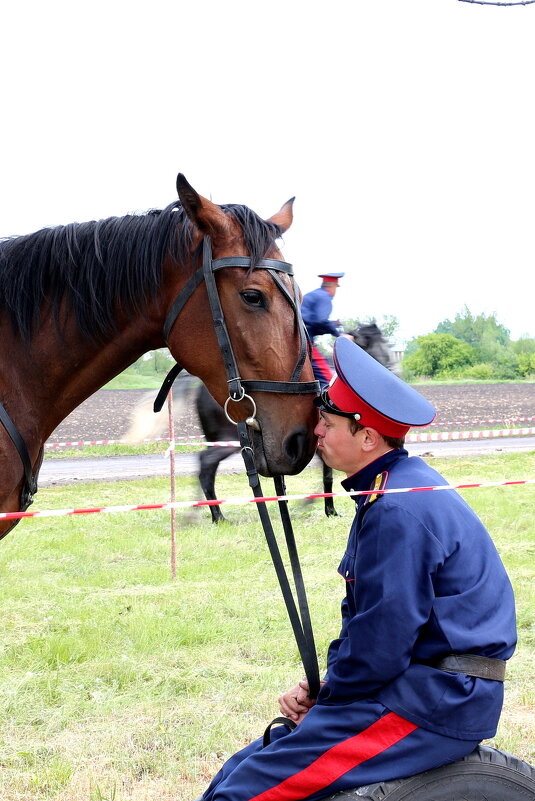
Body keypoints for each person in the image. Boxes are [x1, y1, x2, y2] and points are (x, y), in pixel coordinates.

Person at [199, 337, 517, 801]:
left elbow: (383, 640)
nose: (318, 434)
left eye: (327, 424)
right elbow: (372, 627)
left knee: (245, 793)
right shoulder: (391, 490)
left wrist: (328, 698)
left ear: (367, 437)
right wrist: (322, 688)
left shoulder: (397, 509)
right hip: (422, 687)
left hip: (433, 702)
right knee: (244, 767)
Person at [301, 272, 345, 387]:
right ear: (332, 286)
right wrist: (339, 334)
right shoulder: (325, 296)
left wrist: (332, 324)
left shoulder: (313, 295)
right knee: (327, 380)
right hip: (303, 342)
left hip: (299, 338)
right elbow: (320, 321)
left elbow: (313, 323)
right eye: (336, 287)